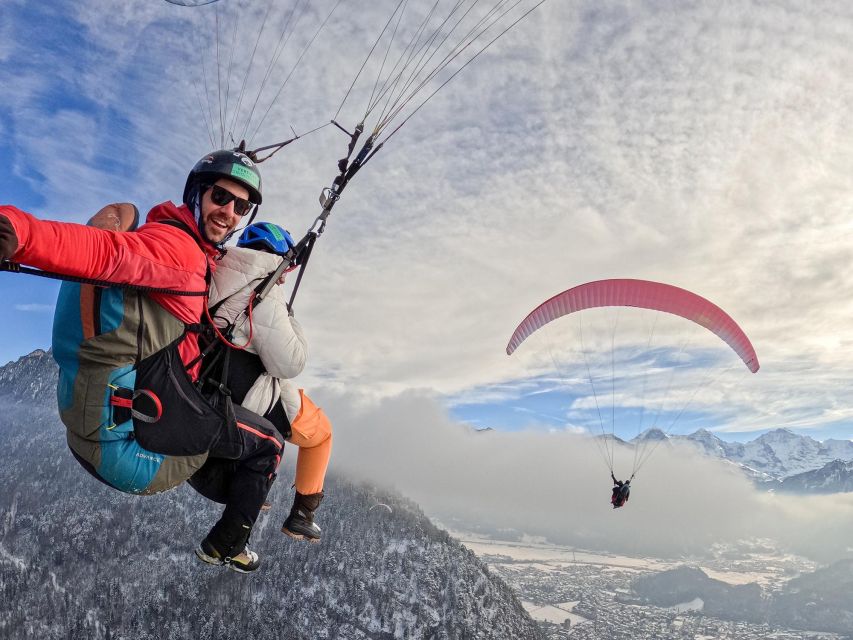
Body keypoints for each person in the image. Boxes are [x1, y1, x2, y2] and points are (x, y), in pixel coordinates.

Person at [0, 149, 283, 572]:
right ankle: (228, 544)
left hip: (88, 430)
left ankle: (239, 488)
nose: (229, 213)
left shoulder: (178, 239)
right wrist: (21, 233)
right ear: (197, 195)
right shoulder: (180, 253)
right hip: (132, 453)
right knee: (268, 445)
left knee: (227, 418)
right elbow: (105, 253)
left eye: (241, 207)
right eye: (220, 197)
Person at [202, 221, 333, 542]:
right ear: (279, 258)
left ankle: (245, 484)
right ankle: (303, 513)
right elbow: (290, 363)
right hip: (249, 391)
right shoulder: (266, 289)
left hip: (208, 382)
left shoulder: (213, 275)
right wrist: (290, 319)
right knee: (321, 434)